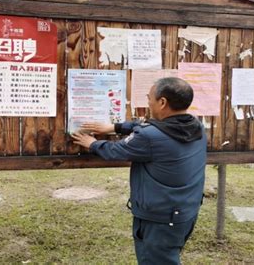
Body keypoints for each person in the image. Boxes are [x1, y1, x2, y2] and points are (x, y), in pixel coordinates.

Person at [71, 77, 206, 265]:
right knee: (168, 257)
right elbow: (149, 126)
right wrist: (116, 126)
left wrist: (92, 143)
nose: (148, 102)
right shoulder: (195, 126)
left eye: (149, 97)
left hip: (160, 218)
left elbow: (116, 150)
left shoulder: (149, 137)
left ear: (162, 102)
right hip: (185, 212)